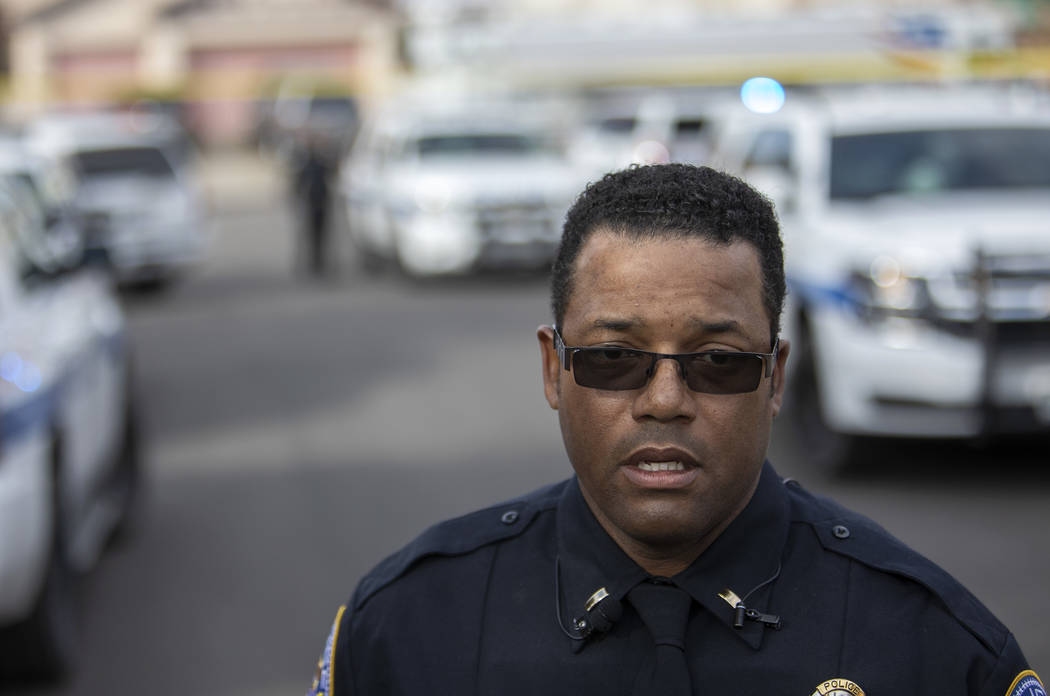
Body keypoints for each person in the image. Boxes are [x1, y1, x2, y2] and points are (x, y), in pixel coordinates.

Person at [306, 164, 1042, 696]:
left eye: (719, 362)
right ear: (552, 370)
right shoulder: (409, 627)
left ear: (776, 376)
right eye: (613, 358)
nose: (664, 400)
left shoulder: (933, 648)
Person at [292, 134, 334, 276]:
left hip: (320, 204)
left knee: (320, 236)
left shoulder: (320, 164)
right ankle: (313, 262)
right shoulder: (305, 164)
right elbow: (297, 185)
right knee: (311, 236)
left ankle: (319, 262)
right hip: (312, 204)